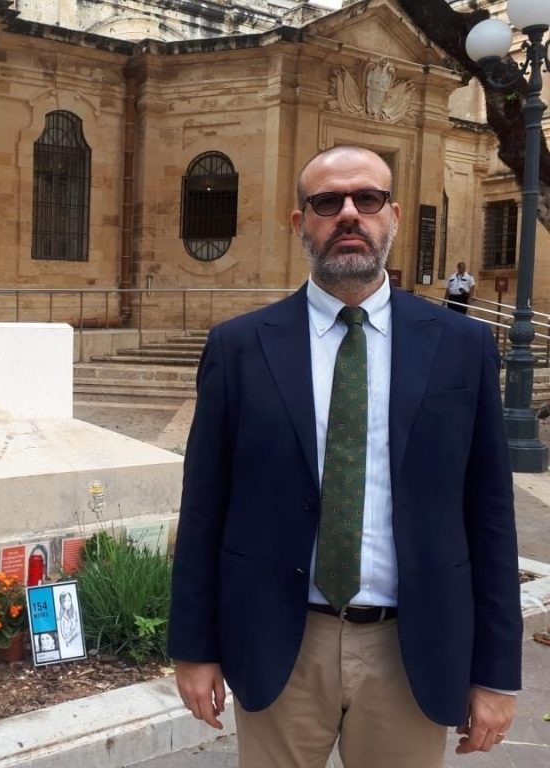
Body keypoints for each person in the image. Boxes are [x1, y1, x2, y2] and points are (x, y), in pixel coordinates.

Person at [169, 145, 520, 768]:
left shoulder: (463, 348)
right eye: (327, 202)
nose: (349, 214)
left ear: (394, 215)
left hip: (410, 650)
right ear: (299, 221)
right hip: (281, 642)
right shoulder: (240, 348)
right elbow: (204, 509)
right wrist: (193, 648)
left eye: (368, 199)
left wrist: (496, 673)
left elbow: (489, 516)